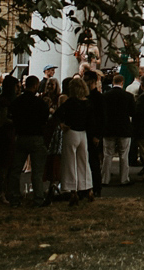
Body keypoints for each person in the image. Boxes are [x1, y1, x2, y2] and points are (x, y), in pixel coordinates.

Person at [8, 75, 51, 207]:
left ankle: (15, 197)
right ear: (36, 85)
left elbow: (12, 118)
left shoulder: (17, 102)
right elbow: (45, 120)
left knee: (16, 169)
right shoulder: (40, 103)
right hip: (36, 137)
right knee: (37, 172)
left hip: (21, 136)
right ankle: (38, 198)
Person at [56, 76, 94, 205]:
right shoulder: (88, 103)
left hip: (71, 132)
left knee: (70, 162)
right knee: (84, 161)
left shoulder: (70, 102)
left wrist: (62, 124)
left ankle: (73, 190)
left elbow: (58, 114)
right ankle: (88, 188)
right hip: (83, 133)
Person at [0, 75, 18, 204]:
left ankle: (5, 191)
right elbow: (2, 119)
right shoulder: (6, 102)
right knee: (5, 166)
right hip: (6, 135)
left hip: (6, 135)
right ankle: (2, 193)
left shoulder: (4, 100)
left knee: (8, 165)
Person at [101, 73, 134, 184]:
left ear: (113, 82)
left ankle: (105, 179)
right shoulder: (128, 96)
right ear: (122, 82)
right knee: (124, 155)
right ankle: (124, 179)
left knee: (107, 154)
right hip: (123, 128)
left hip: (109, 128)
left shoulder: (105, 96)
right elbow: (132, 112)